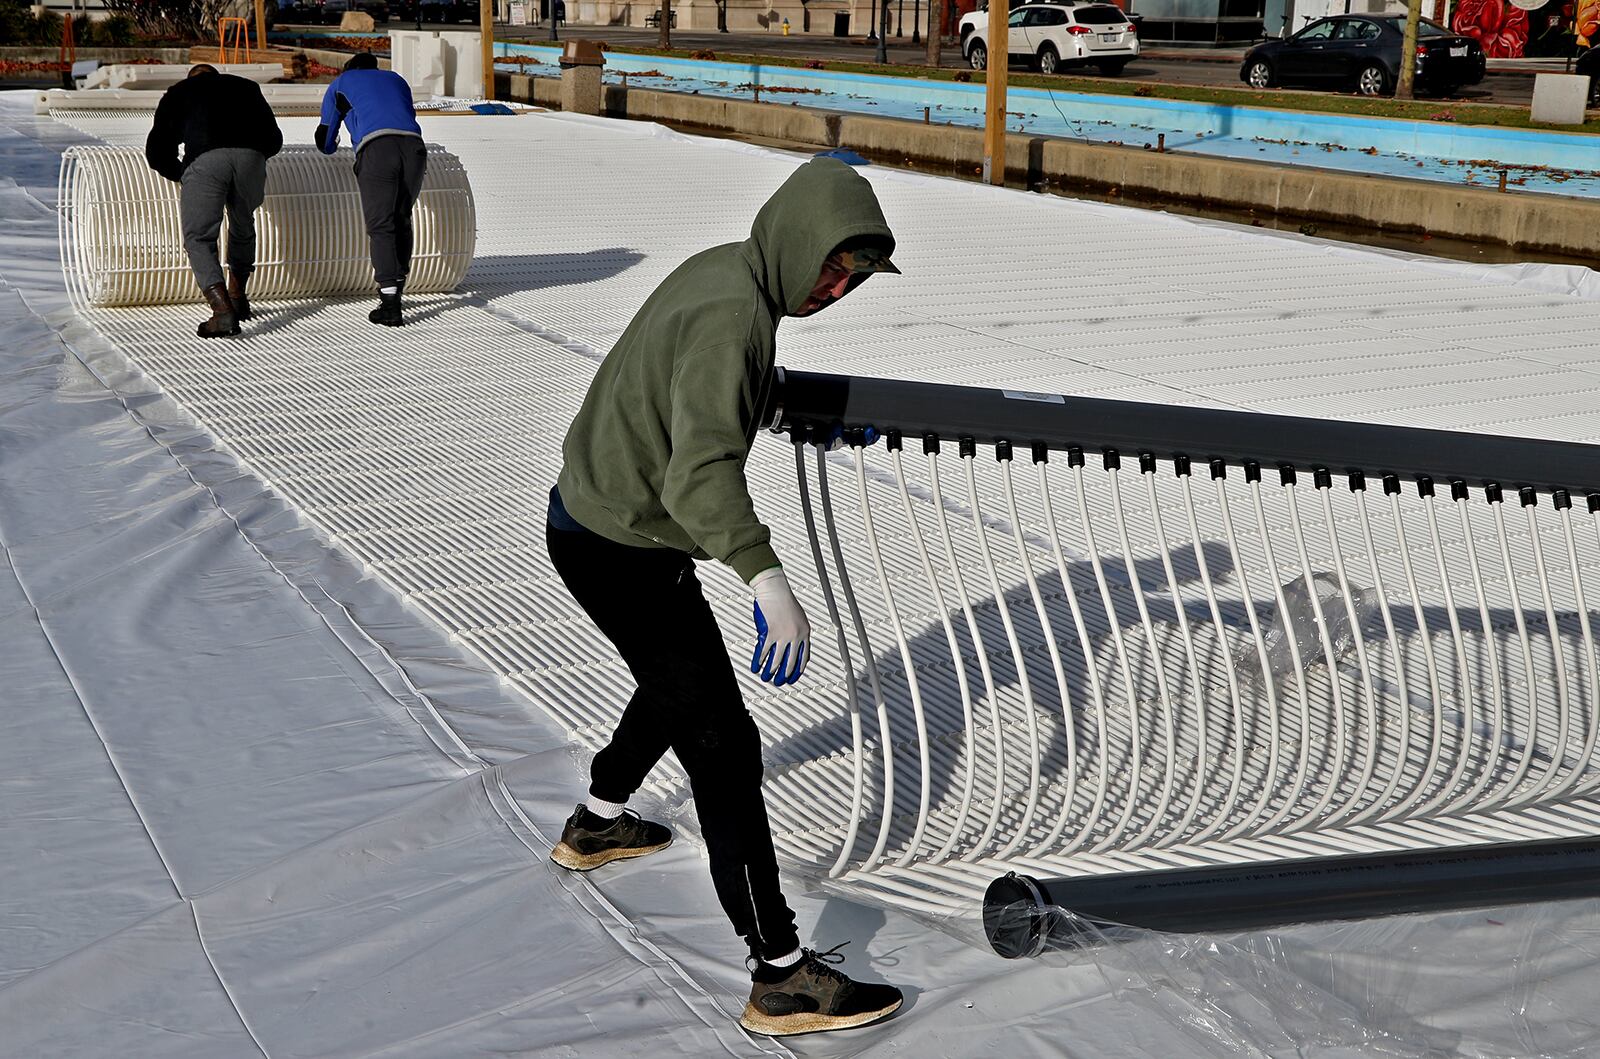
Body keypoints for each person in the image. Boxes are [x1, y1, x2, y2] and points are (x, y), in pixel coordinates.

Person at [545, 156, 905, 1038]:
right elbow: (698, 478)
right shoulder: (736, 314)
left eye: (850, 279)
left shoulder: (728, 269)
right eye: (828, 265)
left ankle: (596, 822)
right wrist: (766, 575)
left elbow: (695, 389)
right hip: (622, 542)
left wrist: (775, 400)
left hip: (597, 520)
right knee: (723, 739)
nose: (833, 289)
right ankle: (780, 973)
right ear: (794, 238)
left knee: (676, 683)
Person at [144, 64, 283, 338]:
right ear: (217, 76)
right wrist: (252, 158)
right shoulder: (247, 87)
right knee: (243, 225)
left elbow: (157, 149)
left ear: (191, 78)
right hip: (251, 159)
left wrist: (182, 173)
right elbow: (274, 139)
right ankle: (238, 297)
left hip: (207, 162)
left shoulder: (180, 91)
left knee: (199, 237)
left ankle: (222, 311)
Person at [315, 52, 428, 327]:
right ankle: (397, 286)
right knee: (401, 218)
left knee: (381, 225)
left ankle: (390, 303)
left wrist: (334, 143)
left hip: (378, 151)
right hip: (415, 149)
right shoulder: (397, 80)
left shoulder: (342, 83)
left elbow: (325, 138)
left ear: (349, 67)